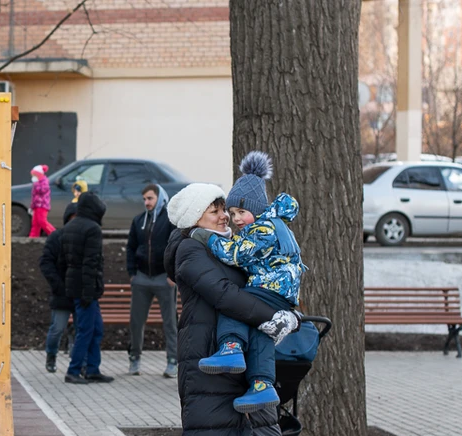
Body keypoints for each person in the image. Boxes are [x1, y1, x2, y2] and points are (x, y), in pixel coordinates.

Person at [164, 182, 298, 436]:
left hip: (244, 359)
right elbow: (223, 294)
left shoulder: (233, 242)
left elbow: (265, 278)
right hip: (210, 361)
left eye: (223, 207)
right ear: (193, 219)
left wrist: (289, 309)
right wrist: (271, 319)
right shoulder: (191, 249)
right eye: (213, 210)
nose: (223, 215)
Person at [190, 151, 306, 413]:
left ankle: (230, 346)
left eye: (241, 211)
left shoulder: (263, 229)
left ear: (256, 208)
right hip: (280, 291)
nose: (236, 218)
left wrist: (207, 238)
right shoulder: (274, 226)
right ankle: (262, 385)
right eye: (232, 212)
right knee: (261, 329)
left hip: (270, 288)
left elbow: (236, 254)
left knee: (236, 304)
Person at [61, 191, 114, 384]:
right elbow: (90, 263)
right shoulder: (92, 229)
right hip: (86, 289)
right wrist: (88, 292)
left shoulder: (70, 226)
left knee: (95, 328)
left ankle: (92, 369)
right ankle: (74, 370)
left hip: (75, 285)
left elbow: (65, 261)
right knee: (85, 330)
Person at [126, 184, 178, 378]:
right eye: (144, 199)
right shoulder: (139, 220)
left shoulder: (169, 220)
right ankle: (134, 358)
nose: (147, 202)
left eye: (150, 198)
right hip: (141, 279)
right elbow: (131, 247)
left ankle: (173, 360)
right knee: (136, 322)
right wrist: (132, 273)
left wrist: (172, 274)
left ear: (160, 198)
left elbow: (175, 247)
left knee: (170, 322)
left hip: (163, 279)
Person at [40, 207, 77, 373]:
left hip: (79, 292)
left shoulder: (84, 237)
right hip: (61, 293)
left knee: (80, 329)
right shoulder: (56, 238)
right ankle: (51, 355)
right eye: (72, 218)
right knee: (57, 329)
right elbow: (46, 262)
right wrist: (57, 285)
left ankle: (77, 360)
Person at [29, 164, 56, 238]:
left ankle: (54, 234)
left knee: (42, 221)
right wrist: (32, 206)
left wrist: (36, 185)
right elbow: (34, 197)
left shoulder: (44, 181)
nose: (33, 177)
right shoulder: (36, 183)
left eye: (35, 175)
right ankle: (33, 237)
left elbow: (43, 190)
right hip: (36, 206)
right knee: (35, 223)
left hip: (42, 205)